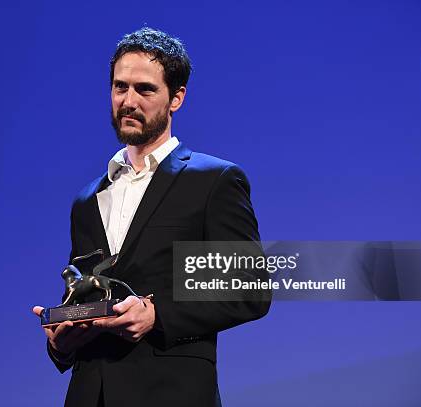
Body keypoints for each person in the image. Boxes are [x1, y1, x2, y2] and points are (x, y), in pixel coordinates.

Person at [33, 27, 270, 407]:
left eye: (144, 89)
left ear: (176, 98)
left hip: (171, 393)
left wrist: (156, 315)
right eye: (119, 87)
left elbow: (250, 289)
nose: (128, 101)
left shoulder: (214, 180)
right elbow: (86, 295)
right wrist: (62, 343)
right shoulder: (87, 199)